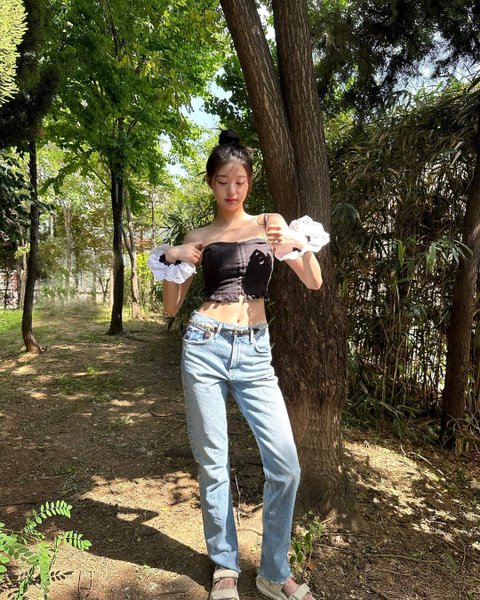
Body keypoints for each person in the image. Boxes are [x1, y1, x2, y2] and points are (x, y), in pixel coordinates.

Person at [148, 130, 329, 600]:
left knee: (286, 466)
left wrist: (296, 241)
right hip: (204, 346)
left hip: (255, 352)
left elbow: (313, 281)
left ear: (250, 182)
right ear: (211, 184)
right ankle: (225, 565)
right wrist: (172, 258)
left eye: (241, 181)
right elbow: (171, 307)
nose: (232, 190)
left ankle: (273, 571)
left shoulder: (270, 224)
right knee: (213, 462)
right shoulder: (198, 237)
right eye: (223, 182)